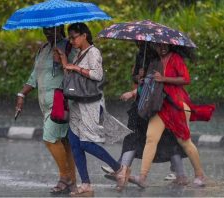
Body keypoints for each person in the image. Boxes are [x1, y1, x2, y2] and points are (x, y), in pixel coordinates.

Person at [57, 22, 131, 196]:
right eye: (70, 37)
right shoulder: (78, 54)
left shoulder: (93, 52)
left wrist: (74, 67)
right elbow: (73, 77)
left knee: (86, 143)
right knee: (74, 143)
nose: (72, 40)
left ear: (84, 35)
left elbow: (97, 75)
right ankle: (86, 184)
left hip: (90, 103)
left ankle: (119, 168)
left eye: (74, 37)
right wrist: (64, 61)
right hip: (77, 103)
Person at [102, 42, 188, 191]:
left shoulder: (163, 56)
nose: (138, 43)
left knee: (166, 138)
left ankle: (179, 174)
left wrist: (141, 85)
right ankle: (123, 173)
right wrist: (139, 77)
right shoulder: (142, 54)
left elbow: (163, 81)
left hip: (158, 104)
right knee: (136, 137)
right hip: (144, 102)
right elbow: (139, 79)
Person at [132, 43, 215, 188]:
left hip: (177, 105)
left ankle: (200, 175)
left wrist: (164, 78)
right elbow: (150, 83)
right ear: (154, 47)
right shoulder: (154, 62)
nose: (162, 48)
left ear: (170, 45)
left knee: (184, 141)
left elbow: (185, 79)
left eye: (164, 45)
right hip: (160, 106)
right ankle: (142, 177)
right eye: (158, 46)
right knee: (151, 138)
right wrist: (141, 79)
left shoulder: (176, 58)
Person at [15, 25, 77, 195]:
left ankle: (65, 178)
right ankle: (73, 182)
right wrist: (22, 94)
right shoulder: (43, 49)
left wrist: (62, 62)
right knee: (65, 142)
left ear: (61, 29)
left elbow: (77, 73)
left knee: (50, 138)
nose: (48, 33)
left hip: (61, 102)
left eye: (52, 30)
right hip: (45, 104)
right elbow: (34, 76)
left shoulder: (69, 47)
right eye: (46, 30)